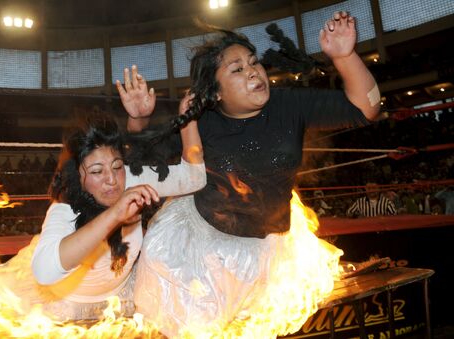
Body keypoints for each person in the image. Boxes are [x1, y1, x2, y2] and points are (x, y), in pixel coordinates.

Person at [118, 11, 381, 337]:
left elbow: (366, 108)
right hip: (198, 253)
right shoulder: (201, 120)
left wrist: (345, 56)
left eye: (254, 62)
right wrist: (139, 121)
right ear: (215, 93)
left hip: (271, 248)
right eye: (237, 69)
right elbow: (138, 162)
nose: (254, 72)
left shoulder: (287, 105)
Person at [24, 111, 204, 320]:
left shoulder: (129, 179)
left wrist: (188, 115)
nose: (112, 180)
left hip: (123, 299)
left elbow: (194, 178)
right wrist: (115, 214)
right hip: (66, 308)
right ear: (77, 176)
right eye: (96, 172)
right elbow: (44, 272)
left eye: (117, 166)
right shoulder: (64, 207)